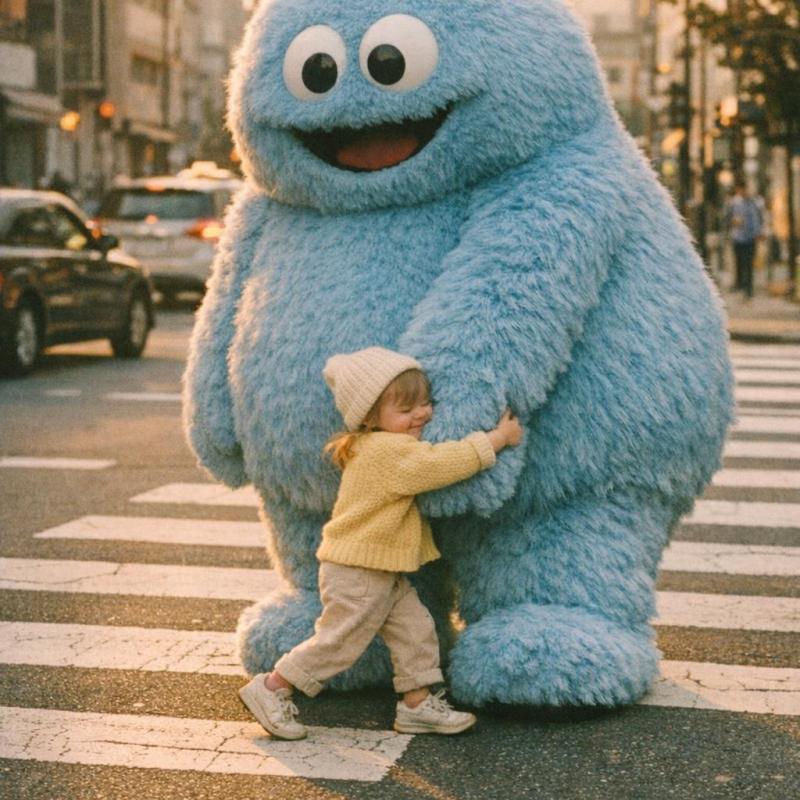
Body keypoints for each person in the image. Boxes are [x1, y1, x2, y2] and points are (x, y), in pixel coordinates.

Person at [239, 347, 523, 740]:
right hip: (359, 571)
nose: (421, 414)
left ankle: (417, 703)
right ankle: (272, 687)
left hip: (377, 569)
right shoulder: (388, 450)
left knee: (415, 630)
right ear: (370, 418)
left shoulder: (376, 445)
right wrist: (498, 439)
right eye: (406, 409)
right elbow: (440, 463)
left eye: (425, 402)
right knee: (339, 642)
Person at [726, 182, 764, 299]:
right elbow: (729, 218)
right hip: (738, 237)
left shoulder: (754, 203)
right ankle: (739, 284)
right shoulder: (734, 203)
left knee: (748, 264)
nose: (743, 192)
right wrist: (733, 222)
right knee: (739, 263)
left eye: (744, 189)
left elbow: (758, 219)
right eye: (740, 190)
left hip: (750, 238)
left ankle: (748, 289)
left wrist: (758, 233)